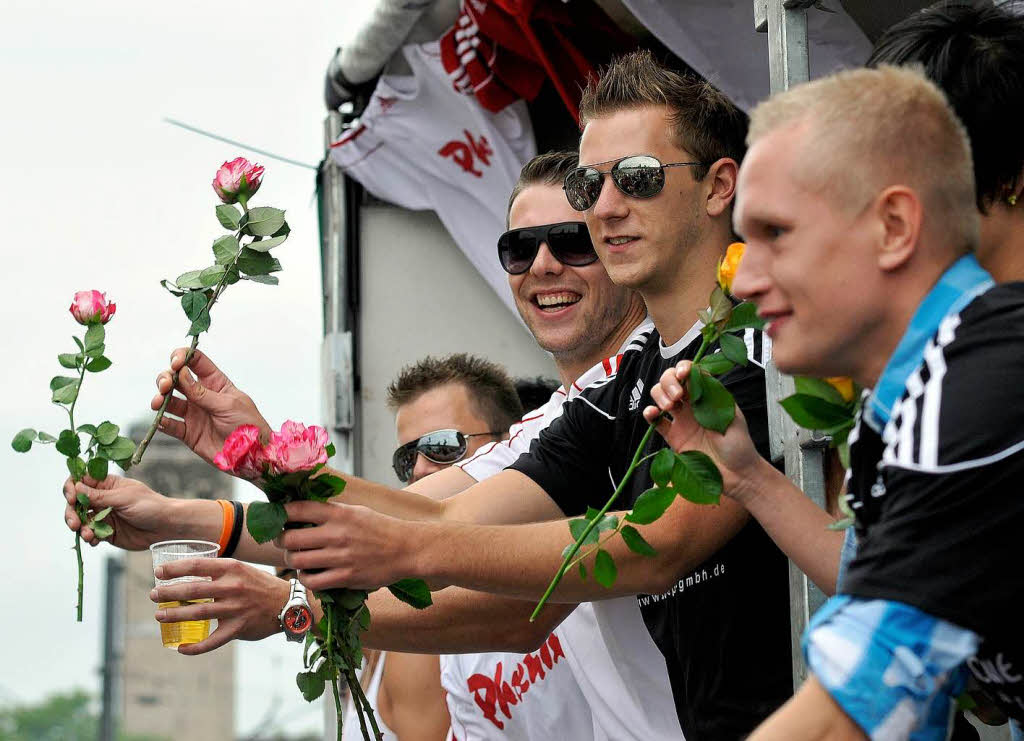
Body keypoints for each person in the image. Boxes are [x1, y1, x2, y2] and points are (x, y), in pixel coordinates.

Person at [67, 151, 689, 739]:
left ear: (620, 247)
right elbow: (426, 515)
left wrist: (290, 607)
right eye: (520, 249)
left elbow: (518, 606)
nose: (544, 265)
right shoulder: (558, 422)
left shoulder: (670, 381)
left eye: (571, 241)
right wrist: (202, 498)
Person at [264, 50, 791, 738]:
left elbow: (655, 544)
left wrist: (337, 580)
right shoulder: (621, 387)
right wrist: (225, 501)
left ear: (722, 186)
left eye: (637, 178)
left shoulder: (771, 338)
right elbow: (446, 521)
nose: (607, 207)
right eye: (589, 184)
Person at [647, 63, 1024, 739]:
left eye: (776, 234)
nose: (746, 278)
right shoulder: (911, 399)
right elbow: (907, 601)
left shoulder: (975, 385)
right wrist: (749, 478)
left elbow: (844, 719)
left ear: (893, 226)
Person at [339, 352, 522, 741]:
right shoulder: (404, 600)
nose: (420, 468)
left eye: (443, 445)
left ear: (510, 443)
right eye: (407, 458)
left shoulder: (570, 578)